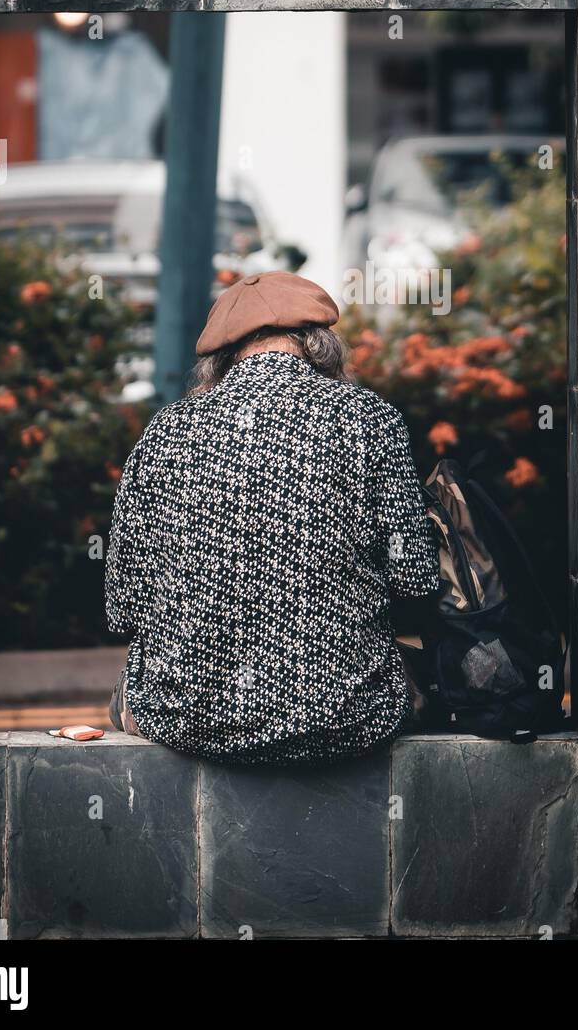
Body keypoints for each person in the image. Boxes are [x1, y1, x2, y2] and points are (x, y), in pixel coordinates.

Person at [105, 270, 439, 765]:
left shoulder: (166, 429)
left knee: (130, 690)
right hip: (346, 715)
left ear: (220, 355)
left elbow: (124, 607)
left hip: (188, 719)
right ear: (319, 341)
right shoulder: (370, 418)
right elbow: (415, 578)